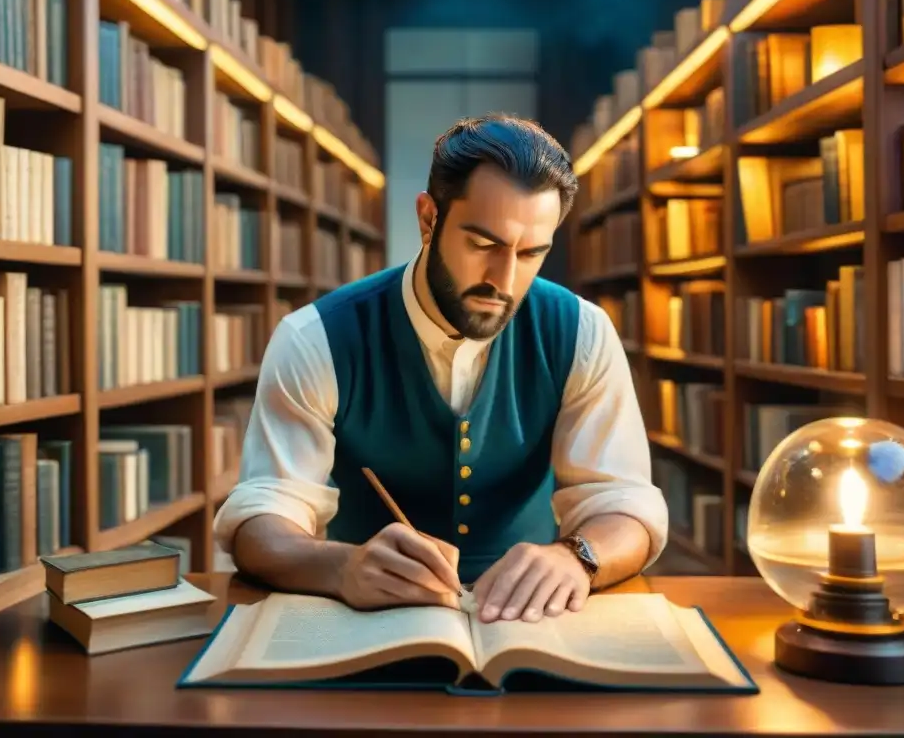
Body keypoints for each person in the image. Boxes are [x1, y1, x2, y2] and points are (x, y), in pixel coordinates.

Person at [214, 114, 669, 625]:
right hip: (366, 622)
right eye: (483, 245)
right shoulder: (315, 337)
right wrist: (341, 567)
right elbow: (260, 519)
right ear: (428, 219)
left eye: (532, 253)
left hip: (530, 624)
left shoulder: (582, 331)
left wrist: (578, 557)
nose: (505, 279)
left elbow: (626, 502)